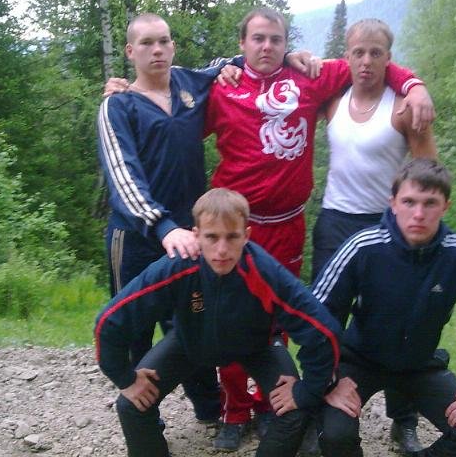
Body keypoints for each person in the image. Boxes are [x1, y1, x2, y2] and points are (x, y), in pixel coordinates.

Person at [204, 7, 435, 452]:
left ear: (286, 43)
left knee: (283, 319)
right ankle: (234, 410)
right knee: (229, 315)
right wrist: (131, 91)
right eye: (257, 39)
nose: (267, 46)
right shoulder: (222, 87)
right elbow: (174, 110)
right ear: (242, 44)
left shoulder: (309, 78)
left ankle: (276, 405)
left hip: (290, 223)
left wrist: (413, 84)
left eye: (276, 39)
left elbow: (370, 63)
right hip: (236, 227)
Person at [94, 188, 342, 457]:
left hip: (257, 346)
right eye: (212, 237)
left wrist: (306, 391)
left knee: (295, 411)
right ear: (196, 235)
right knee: (131, 405)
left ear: (246, 236)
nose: (222, 250)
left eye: (232, 237)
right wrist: (126, 378)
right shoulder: (178, 266)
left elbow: (324, 332)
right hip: (189, 343)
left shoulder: (264, 271)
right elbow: (110, 321)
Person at [312, 158, 456, 457]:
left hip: (419, 364)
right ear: (393, 203)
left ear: (445, 206)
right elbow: (317, 317)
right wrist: (330, 382)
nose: (418, 214)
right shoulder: (362, 247)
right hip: (358, 361)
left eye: (430, 203)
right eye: (409, 201)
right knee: (334, 435)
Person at [311, 18, 437, 452]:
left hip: (386, 225)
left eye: (376, 53)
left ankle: (404, 419)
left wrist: (419, 226)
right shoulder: (333, 100)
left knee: (398, 319)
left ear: (389, 58)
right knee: (324, 319)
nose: (366, 61)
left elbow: (428, 173)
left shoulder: (403, 108)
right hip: (335, 222)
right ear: (346, 56)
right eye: (358, 52)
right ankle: (319, 408)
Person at [97, 12, 229, 424]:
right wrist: (161, 225)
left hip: (188, 236)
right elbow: (123, 177)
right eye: (147, 43)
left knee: (195, 319)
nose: (157, 50)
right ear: (130, 51)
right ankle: (142, 415)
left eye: (164, 41)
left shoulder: (190, 83)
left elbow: (231, 63)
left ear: (172, 46)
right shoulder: (117, 106)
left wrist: (293, 58)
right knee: (134, 327)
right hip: (135, 238)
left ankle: (211, 410)